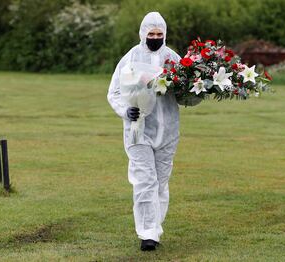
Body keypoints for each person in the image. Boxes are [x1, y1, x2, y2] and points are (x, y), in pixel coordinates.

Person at [107, 12, 181, 251]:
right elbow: (115, 92)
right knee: (144, 179)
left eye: (159, 34)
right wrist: (125, 110)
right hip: (138, 130)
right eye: (151, 34)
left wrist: (198, 93)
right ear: (142, 34)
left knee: (160, 180)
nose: (155, 38)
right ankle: (147, 233)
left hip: (167, 130)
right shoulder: (130, 58)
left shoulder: (173, 59)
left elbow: (186, 94)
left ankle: (155, 227)